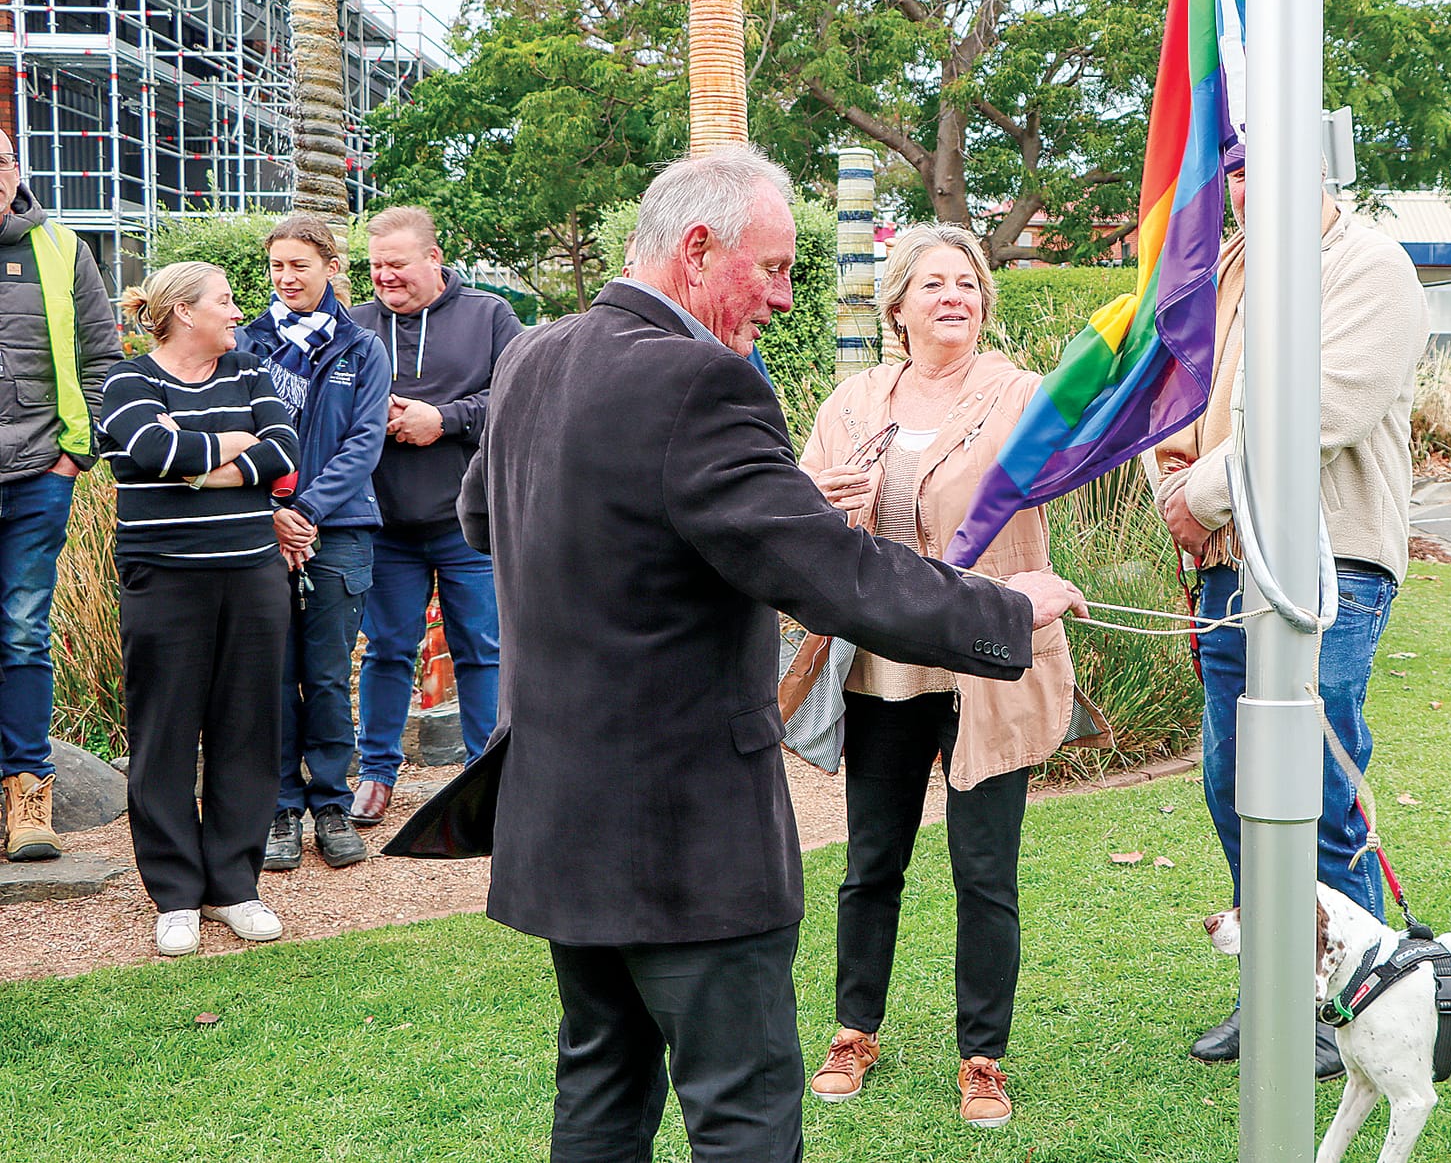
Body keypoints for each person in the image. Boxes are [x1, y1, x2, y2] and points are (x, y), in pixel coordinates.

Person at [459, 146, 1085, 1163]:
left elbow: (483, 516)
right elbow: (837, 576)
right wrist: (1004, 610)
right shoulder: (700, 382)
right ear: (698, 251)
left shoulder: (532, 353)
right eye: (776, 269)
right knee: (742, 1114)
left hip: (558, 814)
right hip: (684, 838)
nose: (784, 300)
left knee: (600, 1092)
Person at [1151, 145, 1428, 1076]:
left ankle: (1356, 1004)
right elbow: (1181, 399)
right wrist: (1173, 486)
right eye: (1231, 166)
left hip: (1330, 564)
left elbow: (1315, 411)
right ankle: (1277, 988)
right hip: (1236, 563)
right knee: (1237, 787)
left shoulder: (1370, 269)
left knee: (1314, 790)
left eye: (1264, 161)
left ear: (1318, 165)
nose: (1243, 182)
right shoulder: (1228, 274)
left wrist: (1204, 494)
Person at [795, 223, 1076, 1129]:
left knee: (984, 868)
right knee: (872, 861)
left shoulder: (1023, 396)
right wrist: (824, 503)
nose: (953, 295)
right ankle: (853, 1030)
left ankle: (983, 1057)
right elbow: (794, 514)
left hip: (991, 664)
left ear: (984, 303)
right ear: (899, 307)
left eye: (968, 283)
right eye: (934, 284)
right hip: (884, 666)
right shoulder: (852, 399)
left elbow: (1072, 463)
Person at [98, 262, 300, 957]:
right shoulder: (128, 380)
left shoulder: (249, 370)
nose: (238, 310)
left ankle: (233, 886)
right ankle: (176, 895)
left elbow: (286, 451)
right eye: (225, 300)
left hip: (252, 576)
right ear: (184, 311)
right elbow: (149, 447)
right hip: (165, 581)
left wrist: (199, 467)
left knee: (248, 727)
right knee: (164, 734)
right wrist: (232, 449)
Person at [348, 207, 521, 826]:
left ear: (433, 258)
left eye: (396, 264)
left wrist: (441, 419)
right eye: (375, 267)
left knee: (483, 646)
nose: (385, 277)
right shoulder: (355, 325)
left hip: (467, 521)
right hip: (385, 524)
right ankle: (375, 777)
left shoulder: (489, 316)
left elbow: (514, 395)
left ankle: (486, 776)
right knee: (388, 650)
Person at [237, 215, 390, 871]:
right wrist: (274, 511)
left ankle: (330, 804)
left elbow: (364, 444)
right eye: (277, 266)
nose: (286, 277)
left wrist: (307, 509)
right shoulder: (247, 344)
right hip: (260, 532)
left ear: (331, 265)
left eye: (299, 264)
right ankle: (280, 810)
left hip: (341, 532)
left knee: (327, 675)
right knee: (270, 675)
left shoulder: (363, 348)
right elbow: (238, 432)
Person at [0, 131, 122, 863]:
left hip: (41, 473)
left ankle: (28, 796)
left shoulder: (61, 248)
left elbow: (102, 354)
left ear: (14, 173)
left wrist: (78, 455)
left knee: (20, 631)